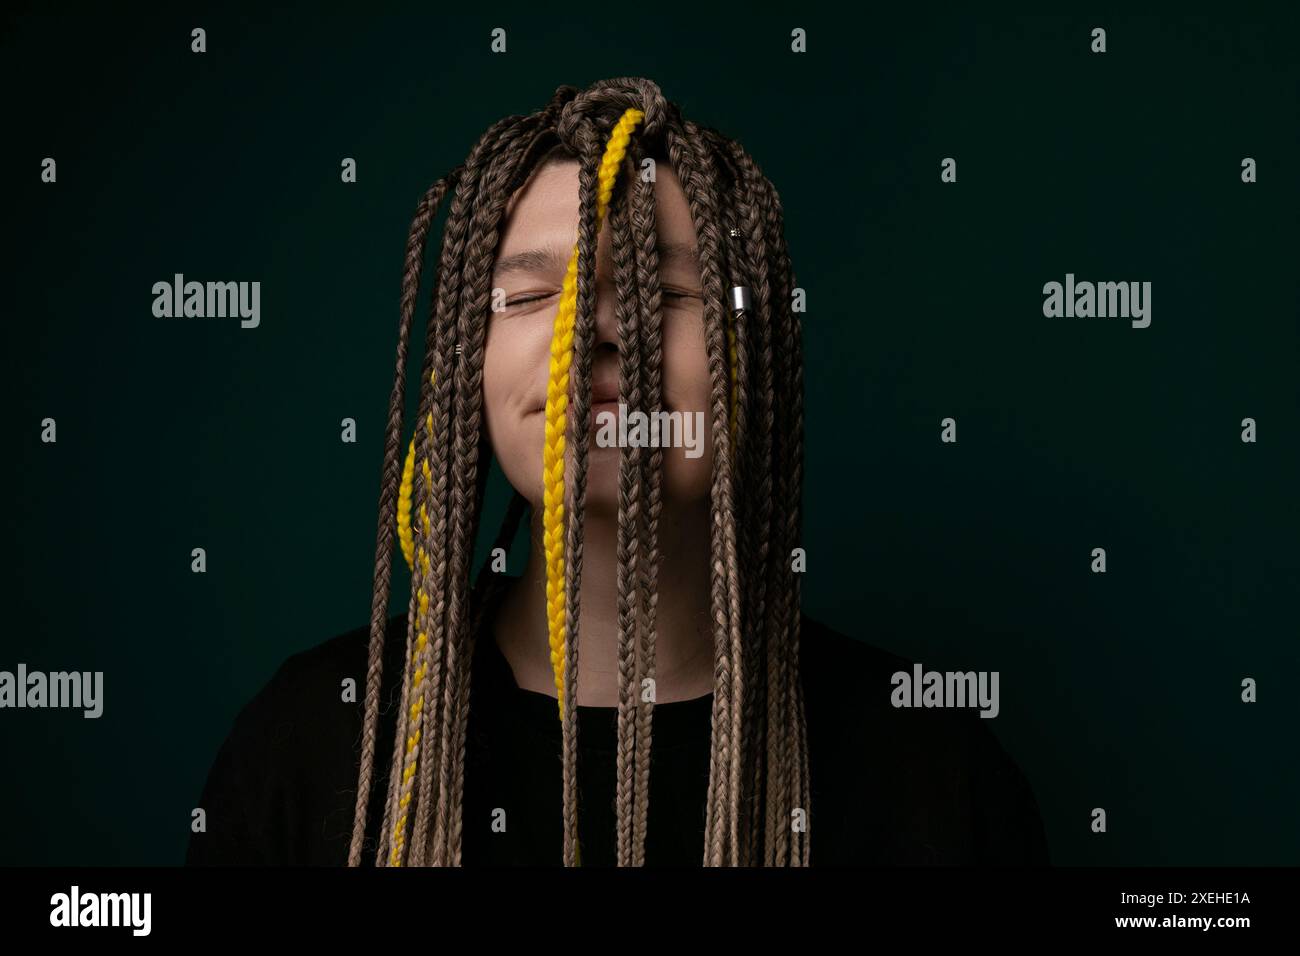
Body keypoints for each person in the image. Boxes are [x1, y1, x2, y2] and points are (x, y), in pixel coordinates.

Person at [187, 76, 1049, 868]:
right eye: (526, 296)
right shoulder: (313, 739)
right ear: (465, 367)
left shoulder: (934, 767)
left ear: (754, 359)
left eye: (669, 293)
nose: (591, 331)